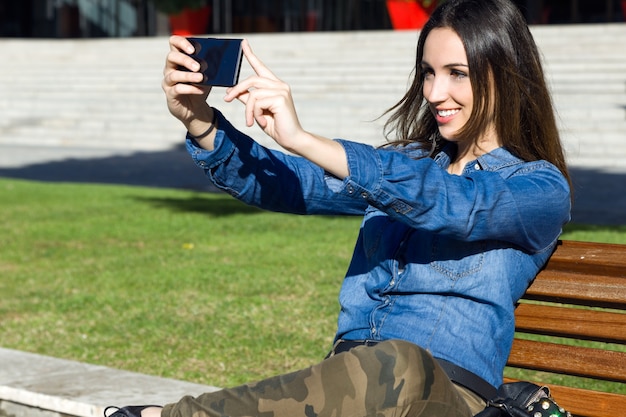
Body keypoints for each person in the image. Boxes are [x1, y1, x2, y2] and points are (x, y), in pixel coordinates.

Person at [109, 0, 571, 416]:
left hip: (446, 396)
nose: (433, 92)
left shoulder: (538, 188)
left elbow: (457, 205)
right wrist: (201, 122)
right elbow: (295, 185)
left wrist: (305, 139)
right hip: (350, 388)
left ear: (505, 74)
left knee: (402, 362)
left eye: (457, 73)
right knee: (381, 364)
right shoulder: (408, 163)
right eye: (428, 72)